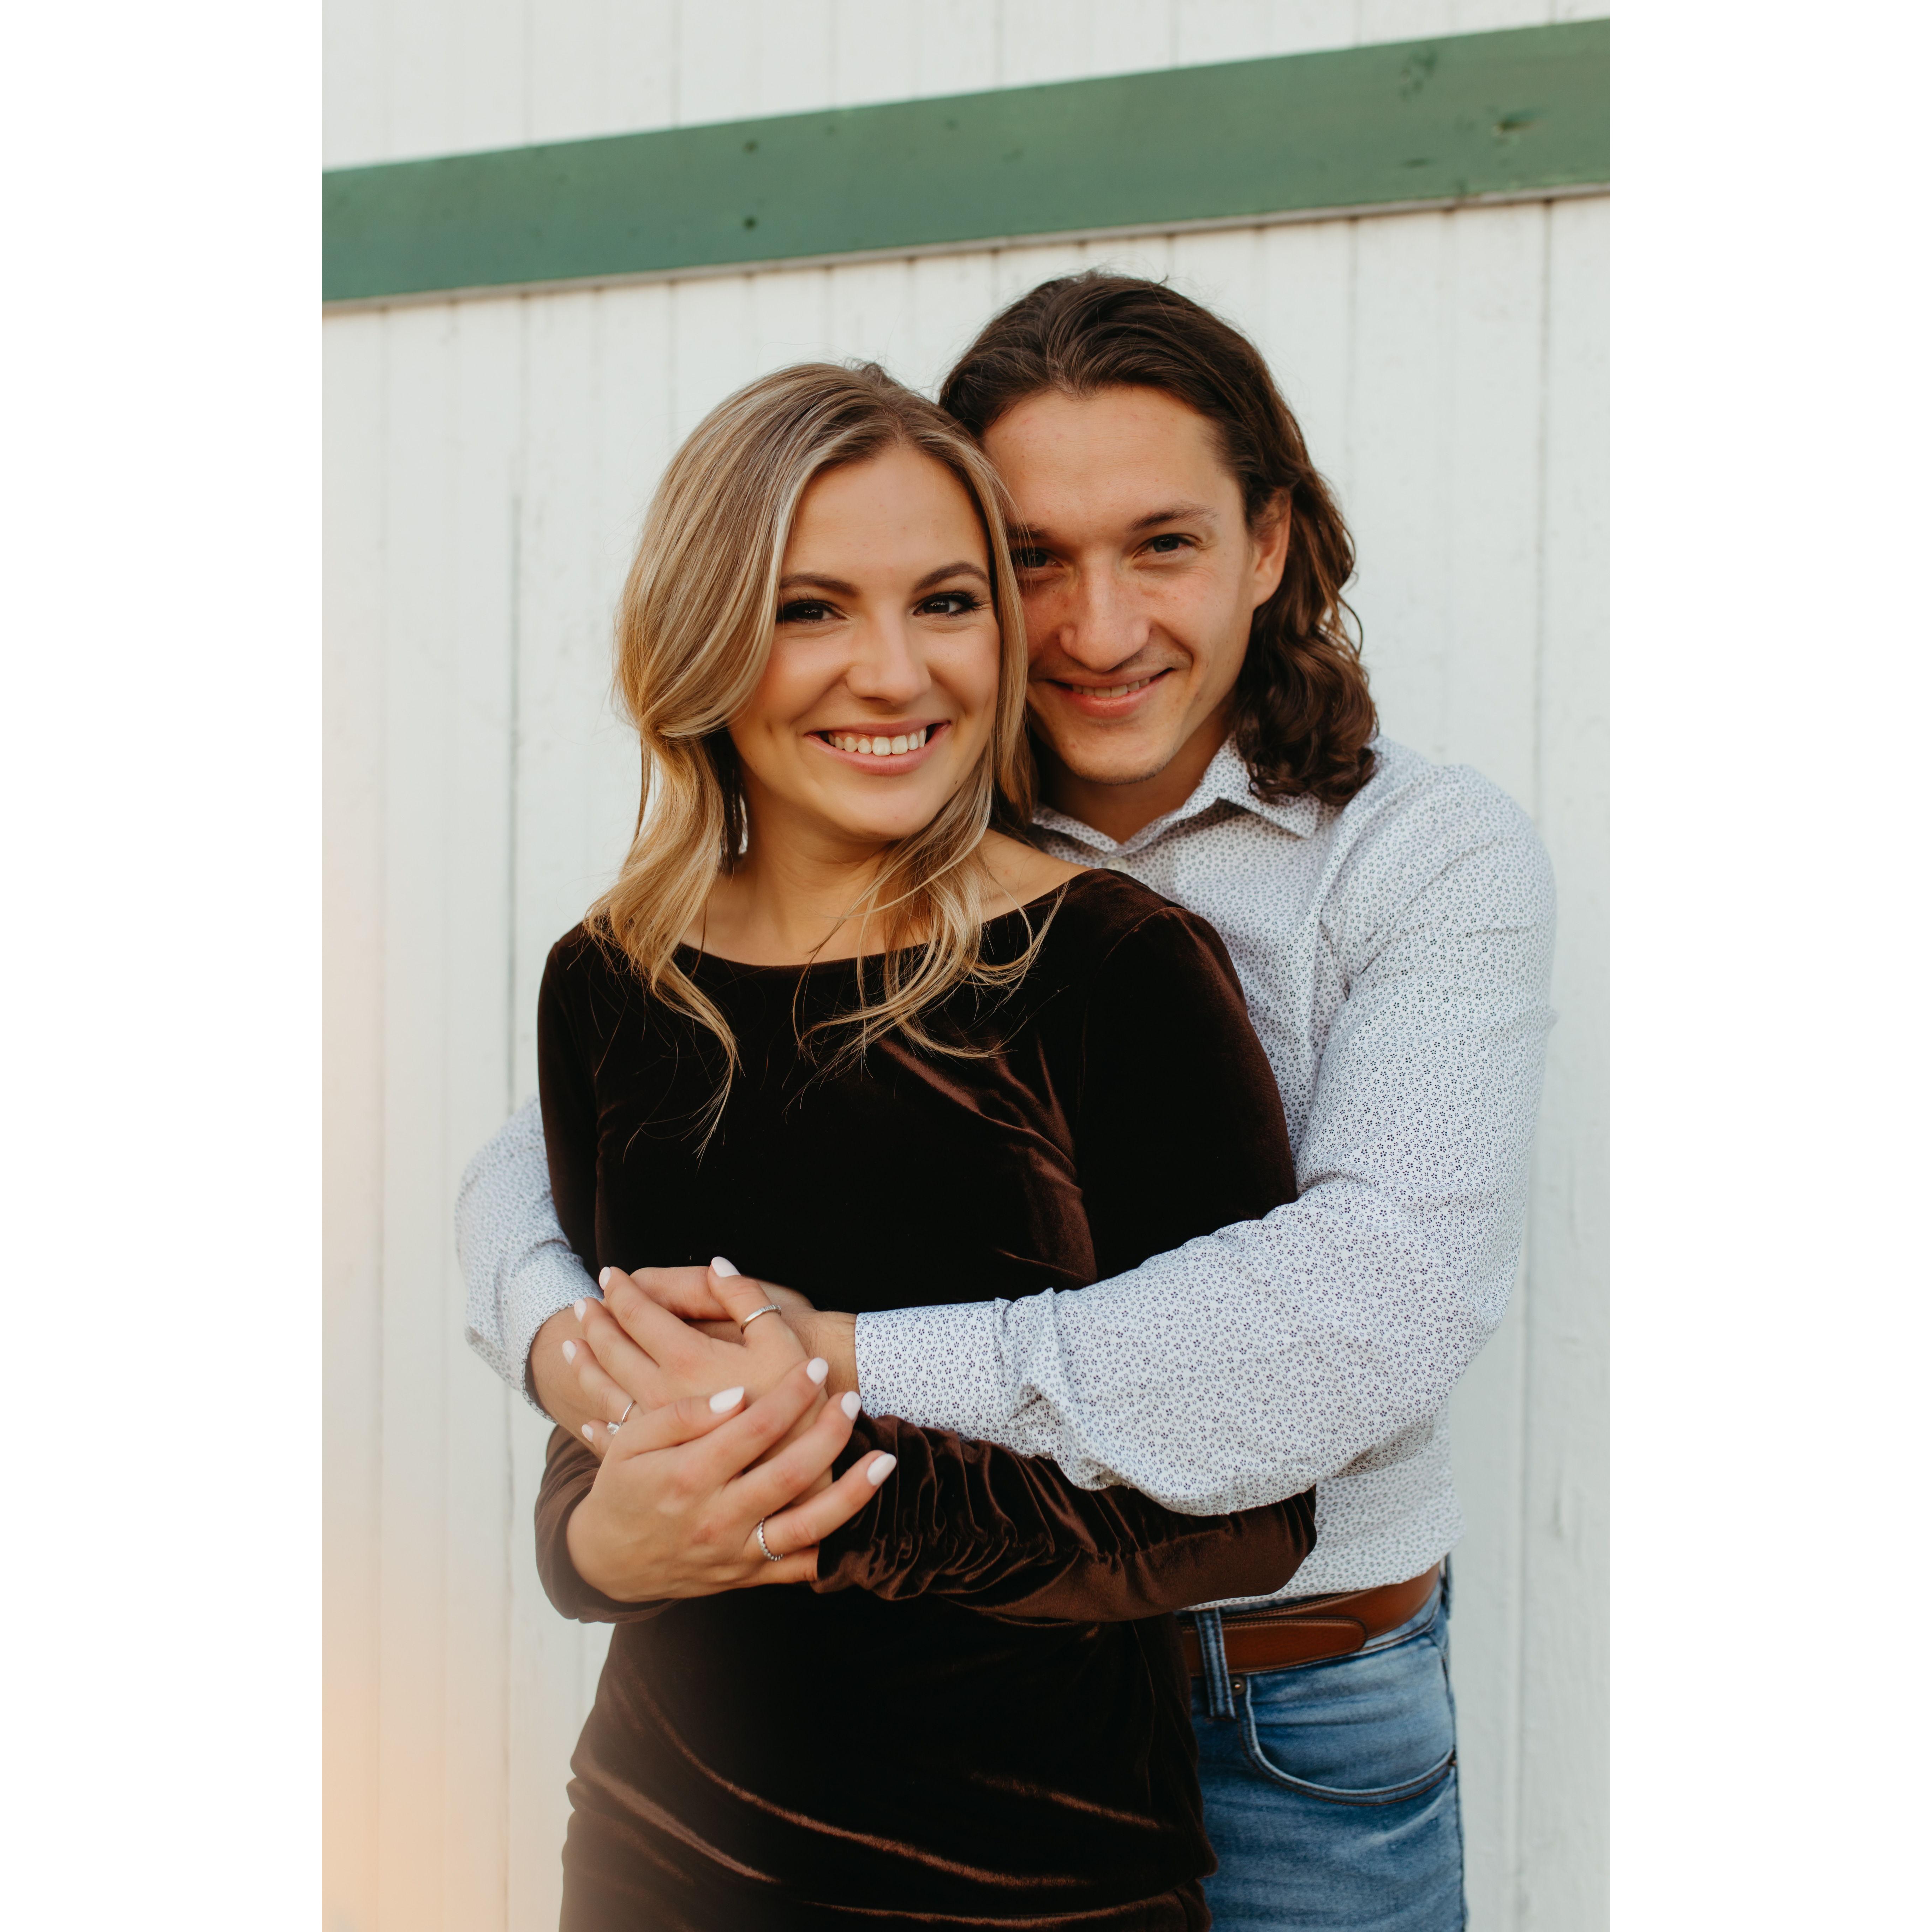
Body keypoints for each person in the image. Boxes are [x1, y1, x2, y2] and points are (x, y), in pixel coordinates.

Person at [462, 275, 1556, 1930]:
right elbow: (548, 1176)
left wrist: (823, 1369)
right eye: (1035, 562)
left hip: (1288, 1693)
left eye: (1164, 545)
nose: (1099, 633)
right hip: (807, 1754)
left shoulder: (1413, 859)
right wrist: (582, 1369)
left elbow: (1369, 1304)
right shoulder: (881, 794)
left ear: (1270, 542)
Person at [523, 357, 1319, 1929]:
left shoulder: (1115, 967)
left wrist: (806, 1502)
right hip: (658, 1857)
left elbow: (1254, 1502)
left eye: (947, 603)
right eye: (810, 609)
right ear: (703, 633)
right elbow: (618, 1382)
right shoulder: (612, 978)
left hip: (1032, 1886)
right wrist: (595, 1545)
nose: (893, 674)